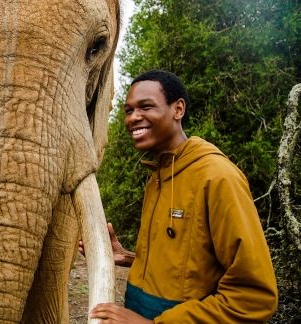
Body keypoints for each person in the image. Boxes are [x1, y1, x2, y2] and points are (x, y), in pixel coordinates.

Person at [82, 70, 278, 323]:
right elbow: (192, 269)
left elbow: (255, 297)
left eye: (146, 107)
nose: (133, 118)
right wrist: (127, 258)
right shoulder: (158, 177)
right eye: (128, 110)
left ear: (178, 109)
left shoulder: (218, 177)